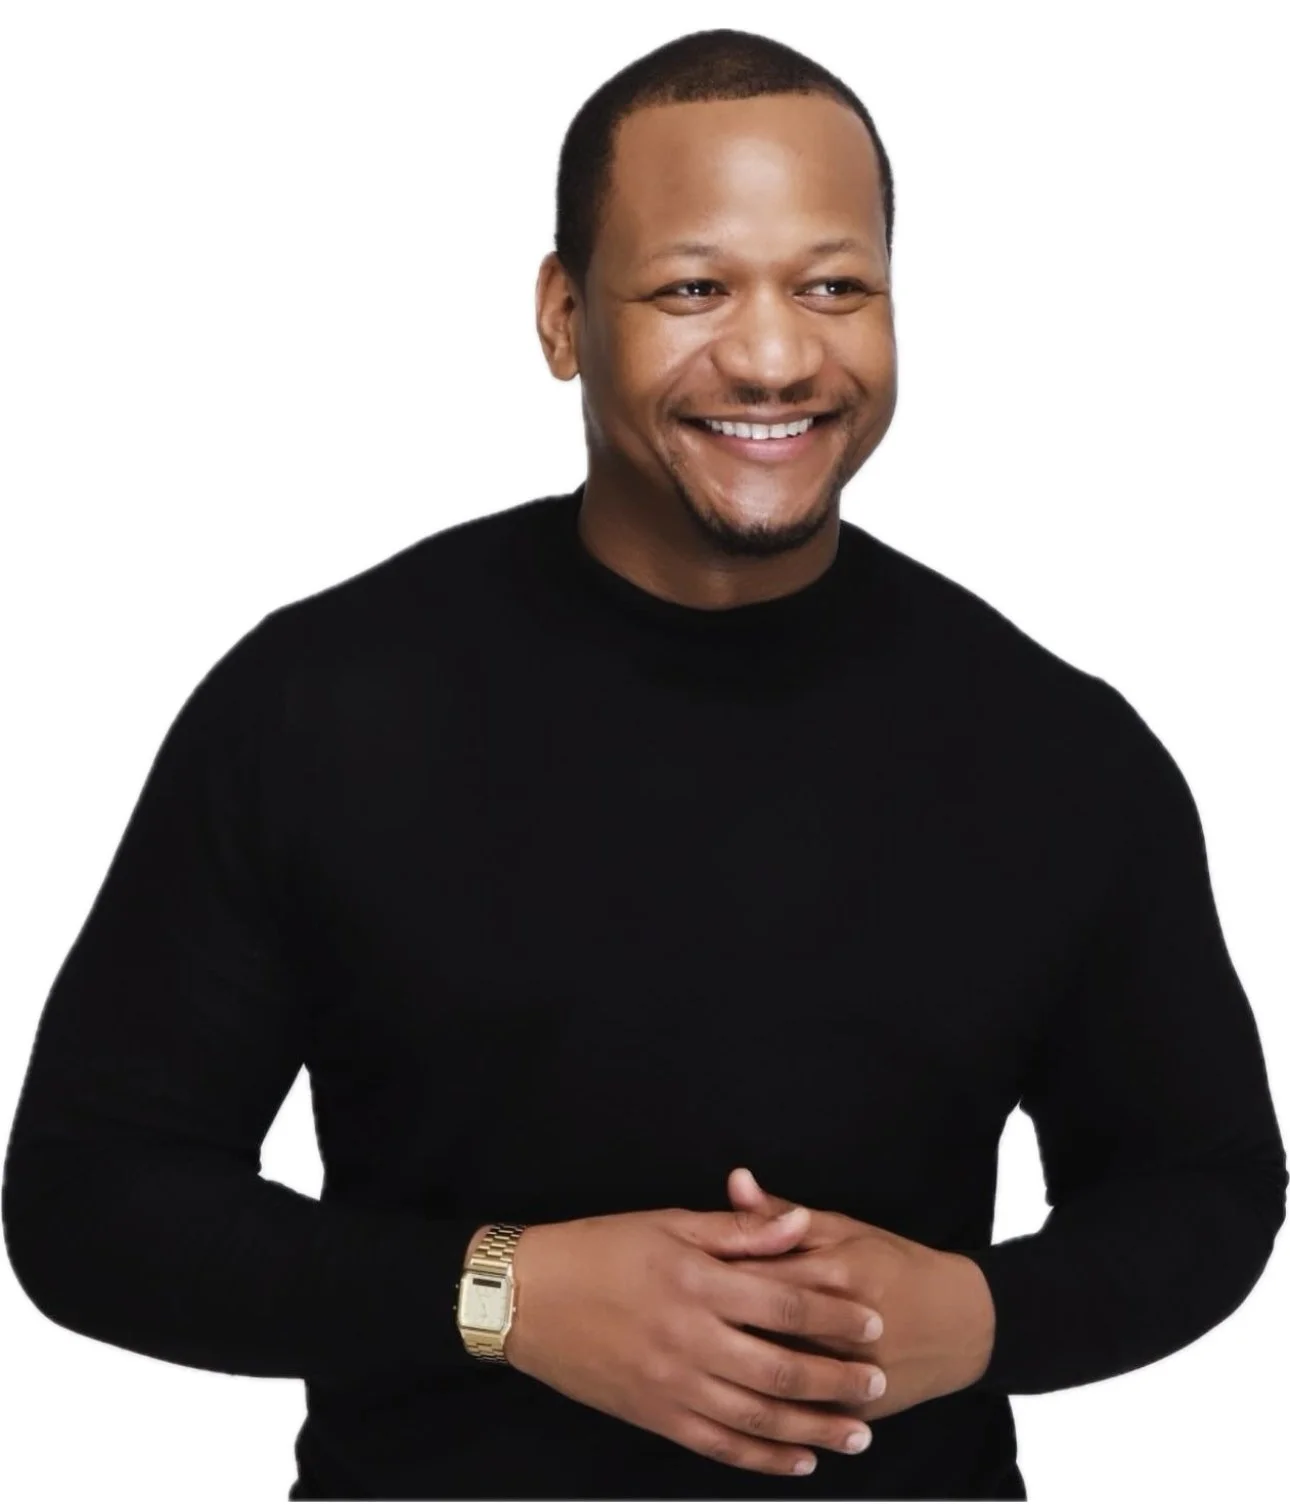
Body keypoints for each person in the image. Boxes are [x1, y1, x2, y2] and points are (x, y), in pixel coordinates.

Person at [3, 24, 1285, 1502]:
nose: (776, 355)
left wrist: (984, 1316)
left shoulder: (1060, 749)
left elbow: (1205, 1188)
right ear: (563, 317)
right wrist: (501, 1297)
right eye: (692, 288)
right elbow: (89, 1202)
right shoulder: (317, 705)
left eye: (834, 287)